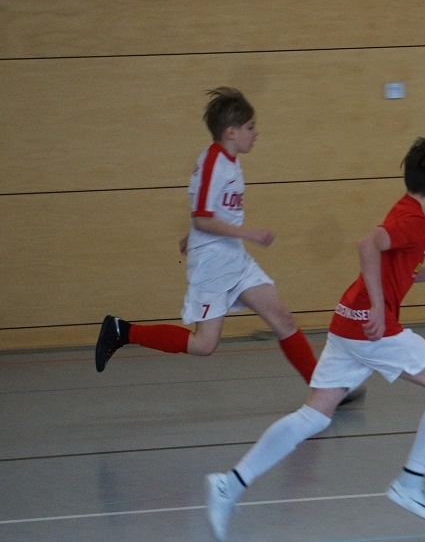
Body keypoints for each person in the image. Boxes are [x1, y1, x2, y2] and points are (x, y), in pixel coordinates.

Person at [205, 137, 425, 540]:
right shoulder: (415, 221)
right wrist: (377, 307)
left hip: (346, 321)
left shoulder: (406, 209)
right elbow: (367, 244)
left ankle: (228, 484)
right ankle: (410, 482)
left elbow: (398, 266)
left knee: (315, 415)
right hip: (371, 328)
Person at [93, 87, 320, 386]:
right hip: (212, 264)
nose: (256, 133)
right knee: (204, 345)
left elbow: (205, 209)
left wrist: (194, 237)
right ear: (231, 132)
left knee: (283, 320)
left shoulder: (229, 159)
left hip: (233, 257)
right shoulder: (214, 163)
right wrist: (248, 233)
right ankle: (122, 331)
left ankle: (325, 389)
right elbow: (202, 218)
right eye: (250, 127)